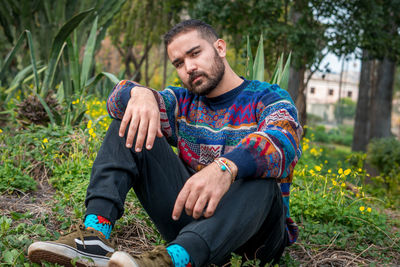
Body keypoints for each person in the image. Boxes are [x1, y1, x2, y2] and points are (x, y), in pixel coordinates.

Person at [28, 19, 302, 267]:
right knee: (131, 119)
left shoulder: (267, 96)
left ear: (219, 48)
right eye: (179, 63)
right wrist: (140, 94)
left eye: (195, 53)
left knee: (261, 178)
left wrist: (227, 168)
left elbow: (284, 140)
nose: (189, 67)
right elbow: (116, 100)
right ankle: (95, 237)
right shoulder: (182, 102)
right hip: (193, 221)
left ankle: (177, 260)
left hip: (256, 238)